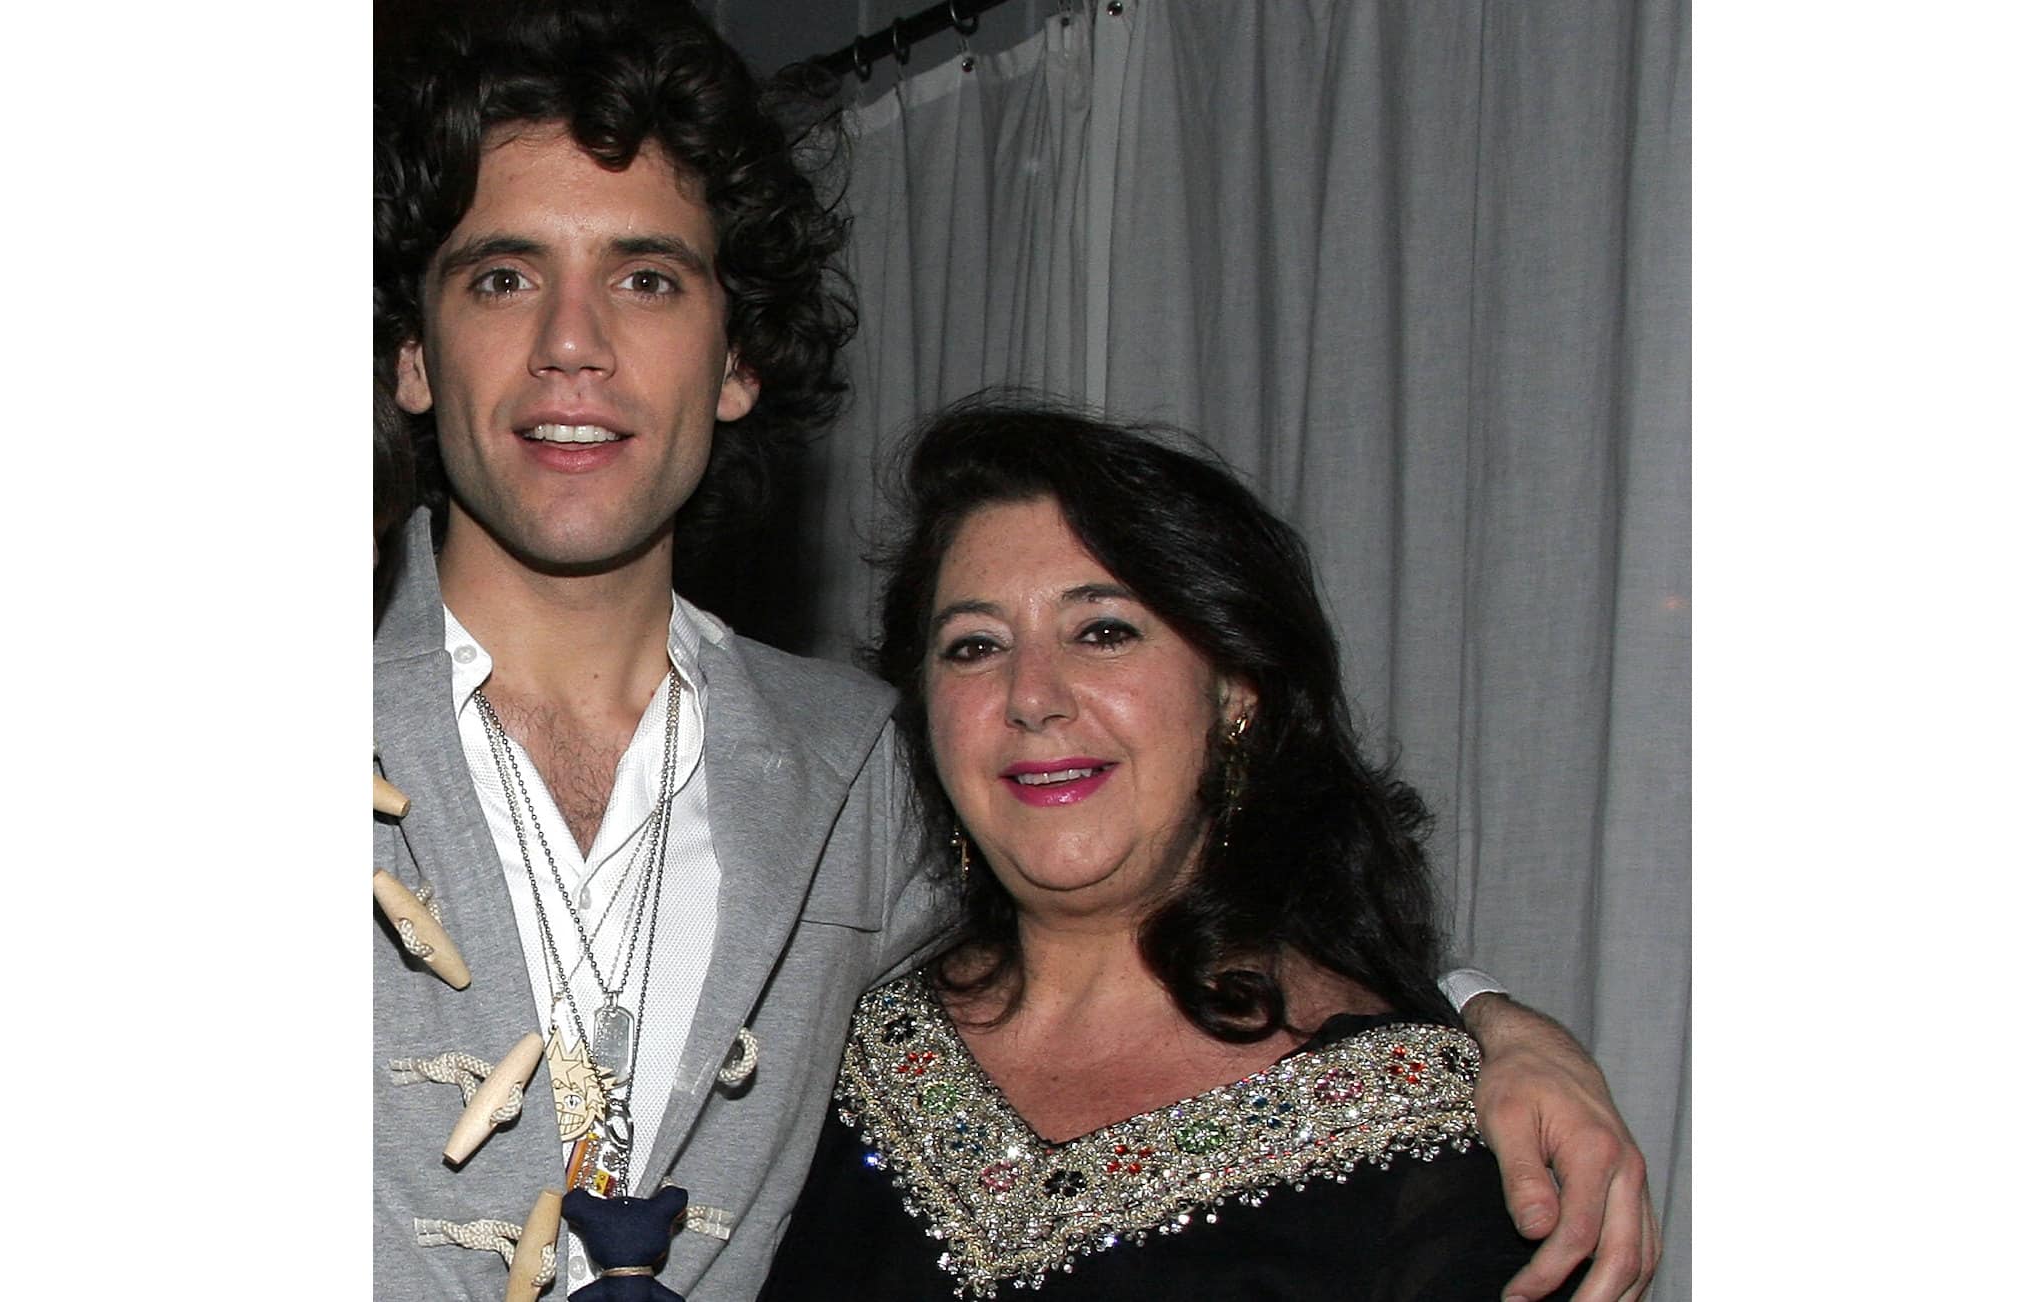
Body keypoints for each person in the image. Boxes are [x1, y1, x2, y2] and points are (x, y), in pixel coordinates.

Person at [371, 3, 1654, 1298]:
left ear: (738, 359)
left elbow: (1129, 879)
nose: (573, 344)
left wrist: (1494, 1026)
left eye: (646, 277)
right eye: (503, 275)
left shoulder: (861, 765)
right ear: (414, 355)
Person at [756, 399, 1624, 1299]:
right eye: (974, 647)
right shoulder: (820, 1045)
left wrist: (1490, 1028)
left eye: (1103, 631)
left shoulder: (1441, 1134)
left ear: (1236, 688)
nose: (1032, 696)